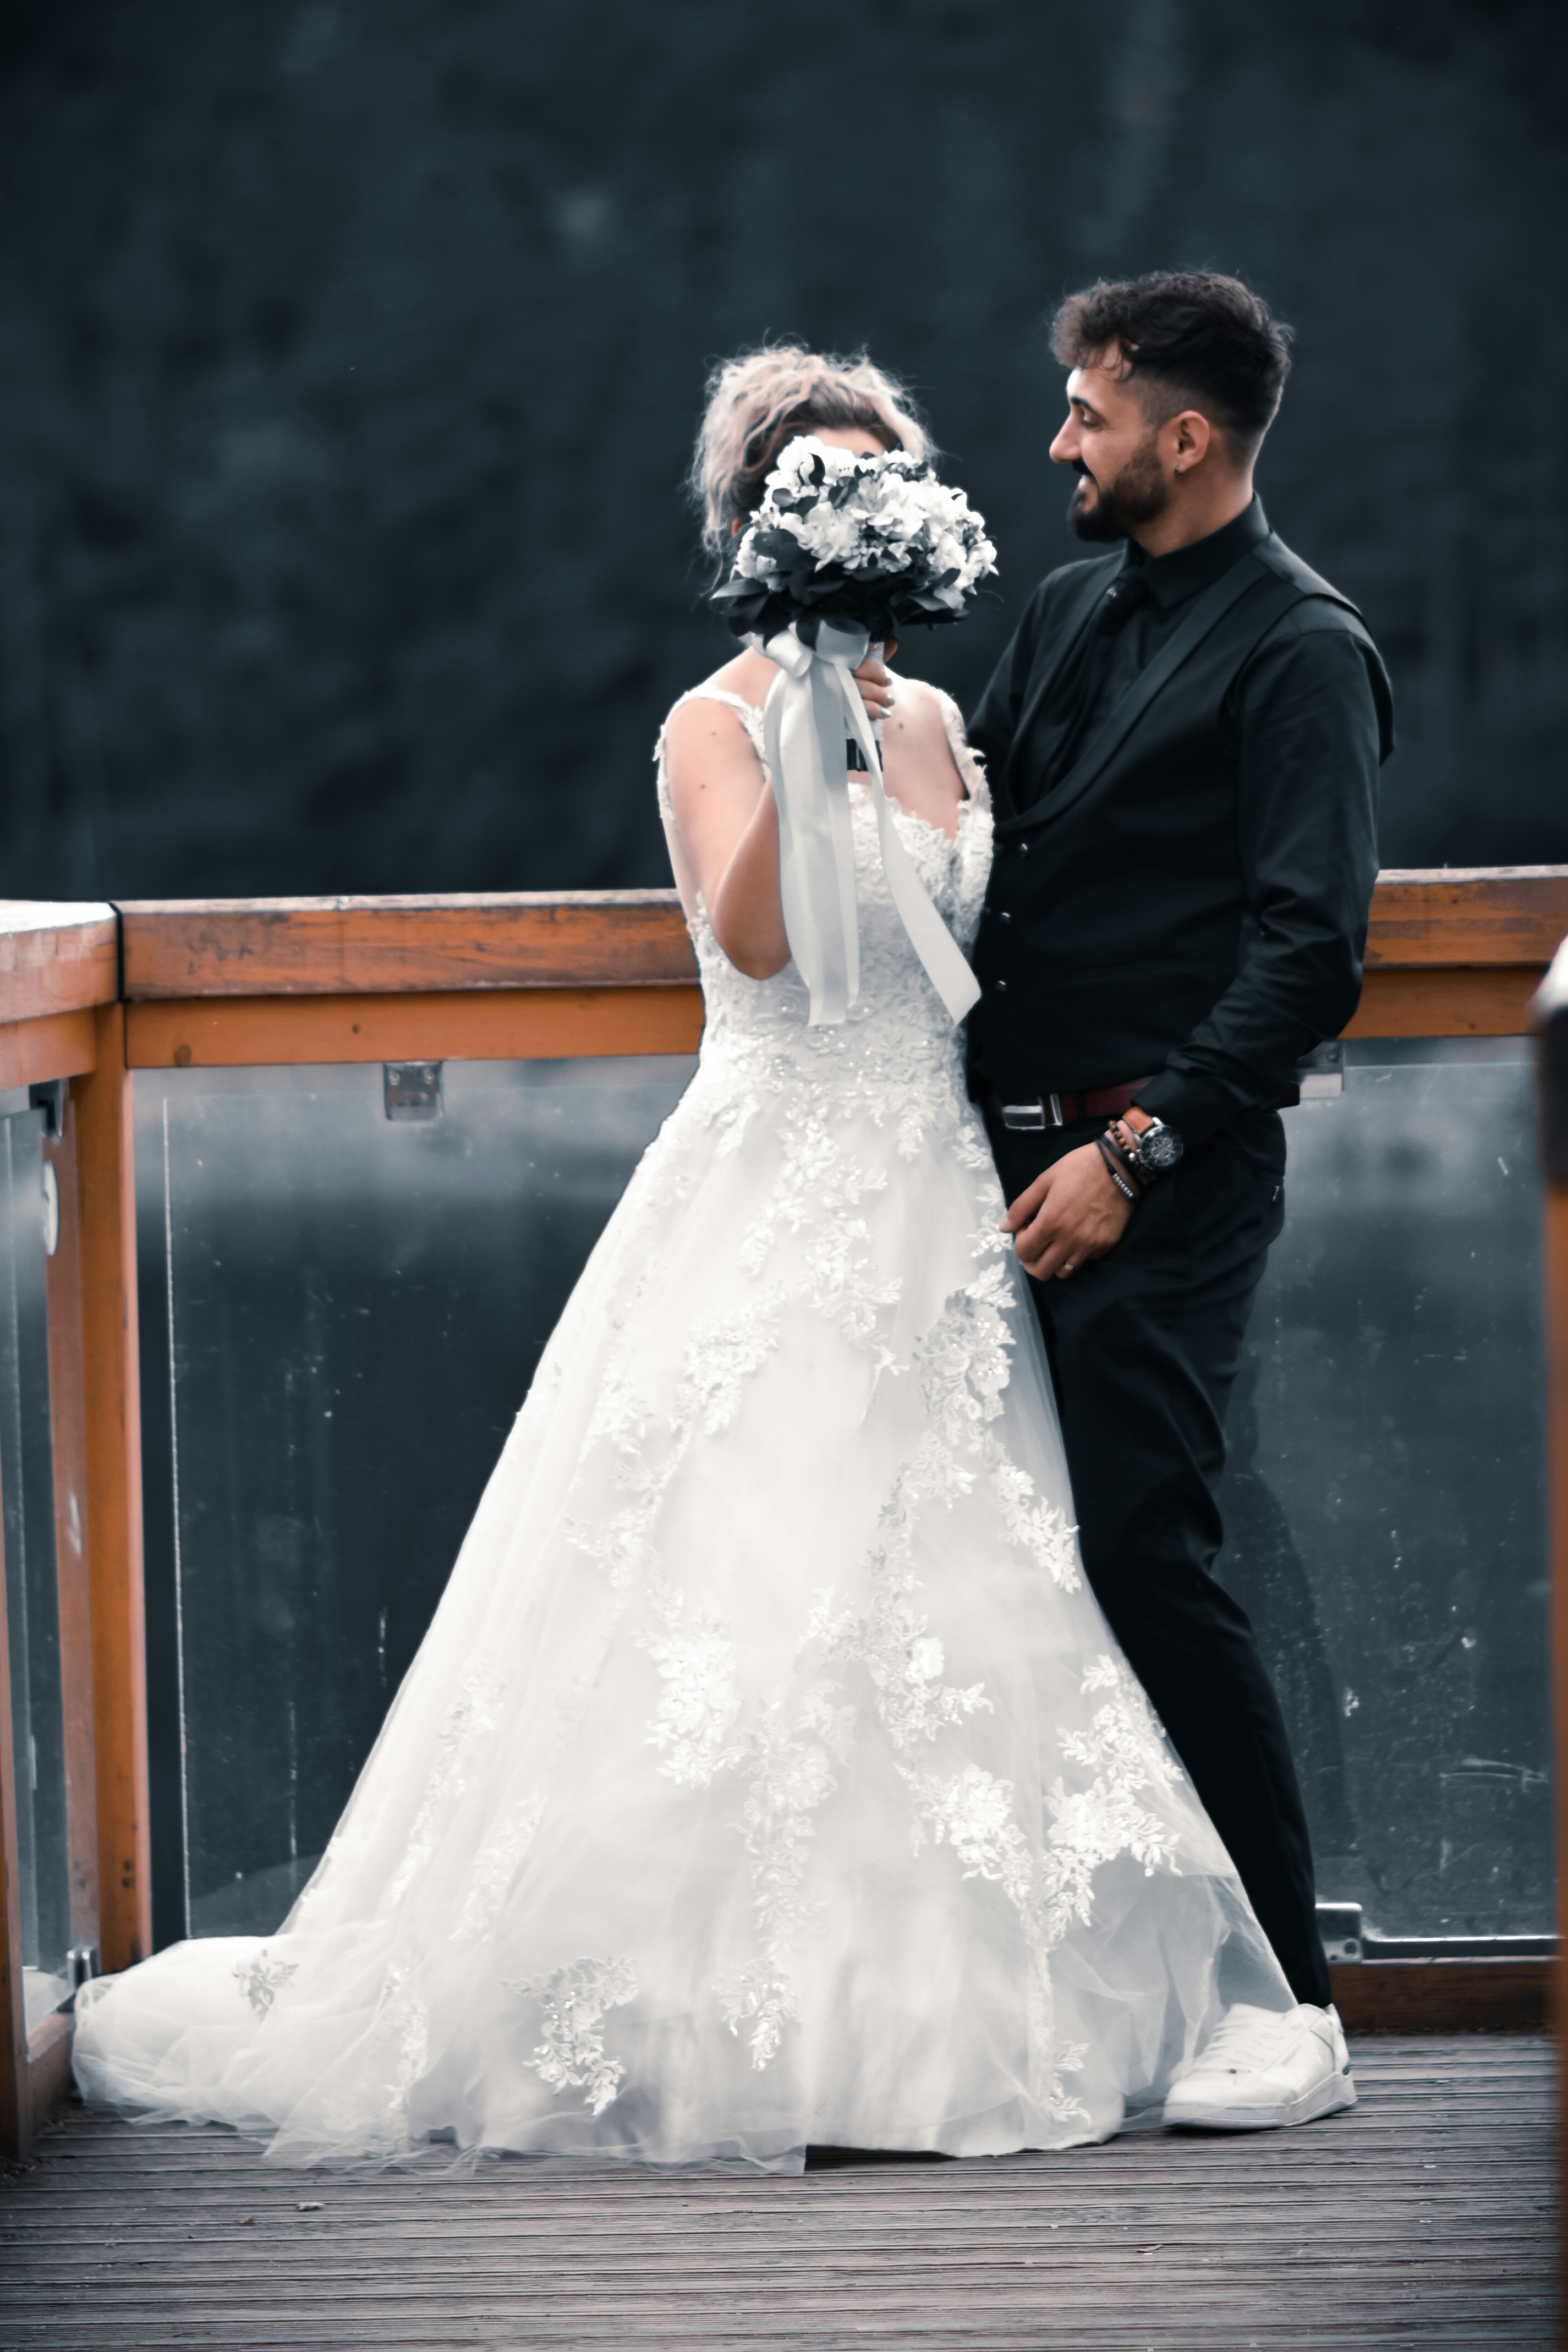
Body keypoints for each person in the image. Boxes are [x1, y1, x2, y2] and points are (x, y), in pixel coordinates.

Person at [73, 345, 1325, 2175]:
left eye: (876, 473)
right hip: (771, 1177)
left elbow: (1008, 912)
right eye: (820, 481)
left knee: (982, 1574)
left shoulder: (944, 719)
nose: (853, 502)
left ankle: (1025, 1995)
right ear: (758, 524)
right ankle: (697, 2010)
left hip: (941, 1189)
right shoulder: (712, 717)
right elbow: (750, 936)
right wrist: (804, 703)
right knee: (741, 1573)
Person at [960, 271, 1395, 2125]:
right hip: (978, 1167)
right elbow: (974, 841)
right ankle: (1060, 1984)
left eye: (1085, 409)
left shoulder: (1303, 649)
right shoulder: (1064, 610)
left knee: (1148, 1551)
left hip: (1155, 1175)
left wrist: (1130, 1158)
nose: (1061, 438)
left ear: (1183, 435)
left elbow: (1310, 959)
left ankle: (1291, 2007)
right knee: (981, 1565)